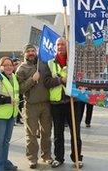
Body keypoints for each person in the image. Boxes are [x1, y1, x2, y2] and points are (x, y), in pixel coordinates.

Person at [43, 37, 83, 168]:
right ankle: (59, 158)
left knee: (75, 132)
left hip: (73, 101)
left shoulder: (74, 62)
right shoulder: (49, 63)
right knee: (58, 133)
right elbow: (47, 82)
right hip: (56, 103)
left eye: (63, 44)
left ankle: (77, 158)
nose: (60, 47)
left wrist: (70, 80)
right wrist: (61, 80)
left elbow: (80, 79)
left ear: (67, 46)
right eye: (58, 45)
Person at [16, 44, 53, 168]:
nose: (31, 53)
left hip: (46, 104)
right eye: (28, 51)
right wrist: (32, 80)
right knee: (31, 134)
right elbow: (20, 89)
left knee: (46, 132)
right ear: (24, 54)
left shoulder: (43, 64)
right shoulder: (21, 68)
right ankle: (32, 158)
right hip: (31, 105)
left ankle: (47, 156)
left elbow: (49, 79)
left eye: (33, 51)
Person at [12, 58, 23, 125]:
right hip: (12, 95)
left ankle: (18, 119)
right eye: (16, 64)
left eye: (19, 64)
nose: (17, 66)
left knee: (20, 106)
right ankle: (13, 120)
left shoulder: (20, 72)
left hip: (19, 93)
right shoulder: (11, 74)